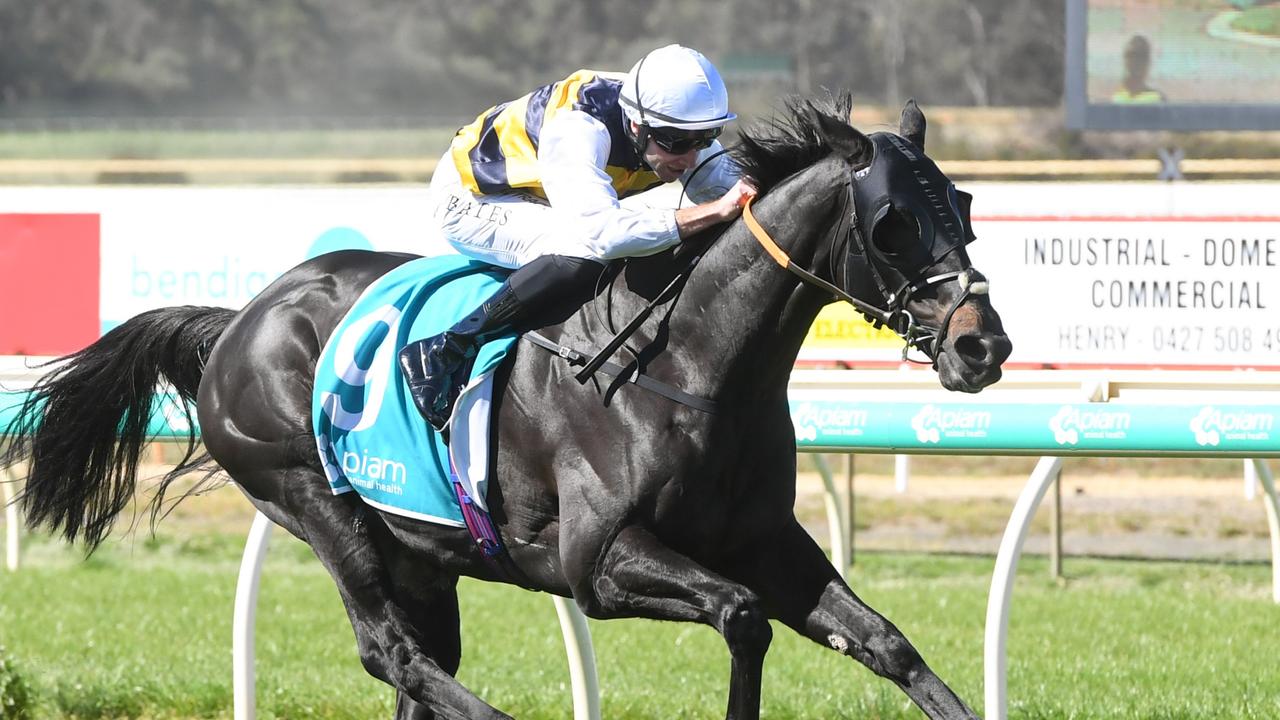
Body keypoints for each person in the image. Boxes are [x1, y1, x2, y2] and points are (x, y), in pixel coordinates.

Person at [399, 44, 757, 431]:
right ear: (637, 126)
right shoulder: (579, 129)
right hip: (473, 194)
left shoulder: (671, 122)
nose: (689, 157)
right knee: (582, 252)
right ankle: (446, 349)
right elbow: (602, 235)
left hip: (543, 193)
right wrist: (711, 212)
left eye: (705, 139)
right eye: (675, 143)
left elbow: (737, 193)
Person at [1112, 34, 1166, 104]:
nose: (1135, 61)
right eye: (1130, 55)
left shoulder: (1156, 99)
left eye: (1140, 56)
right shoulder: (1117, 97)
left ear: (1147, 61)